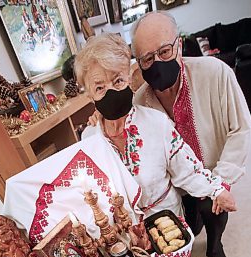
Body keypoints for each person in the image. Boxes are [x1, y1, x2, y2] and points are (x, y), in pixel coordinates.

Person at [131, 11, 251, 257]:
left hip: (212, 170)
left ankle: (215, 244)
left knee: (212, 208)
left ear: (180, 45)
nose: (158, 63)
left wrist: (221, 179)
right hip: (175, 181)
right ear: (139, 64)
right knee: (185, 227)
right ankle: (193, 217)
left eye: (164, 51)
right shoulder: (138, 101)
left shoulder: (216, 72)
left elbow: (241, 129)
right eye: (147, 58)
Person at [74, 33, 236, 225]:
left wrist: (217, 190)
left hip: (166, 219)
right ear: (90, 96)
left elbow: (187, 170)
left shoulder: (157, 123)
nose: (111, 91)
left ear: (129, 79)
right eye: (99, 87)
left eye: (118, 81)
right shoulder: (89, 139)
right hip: (126, 232)